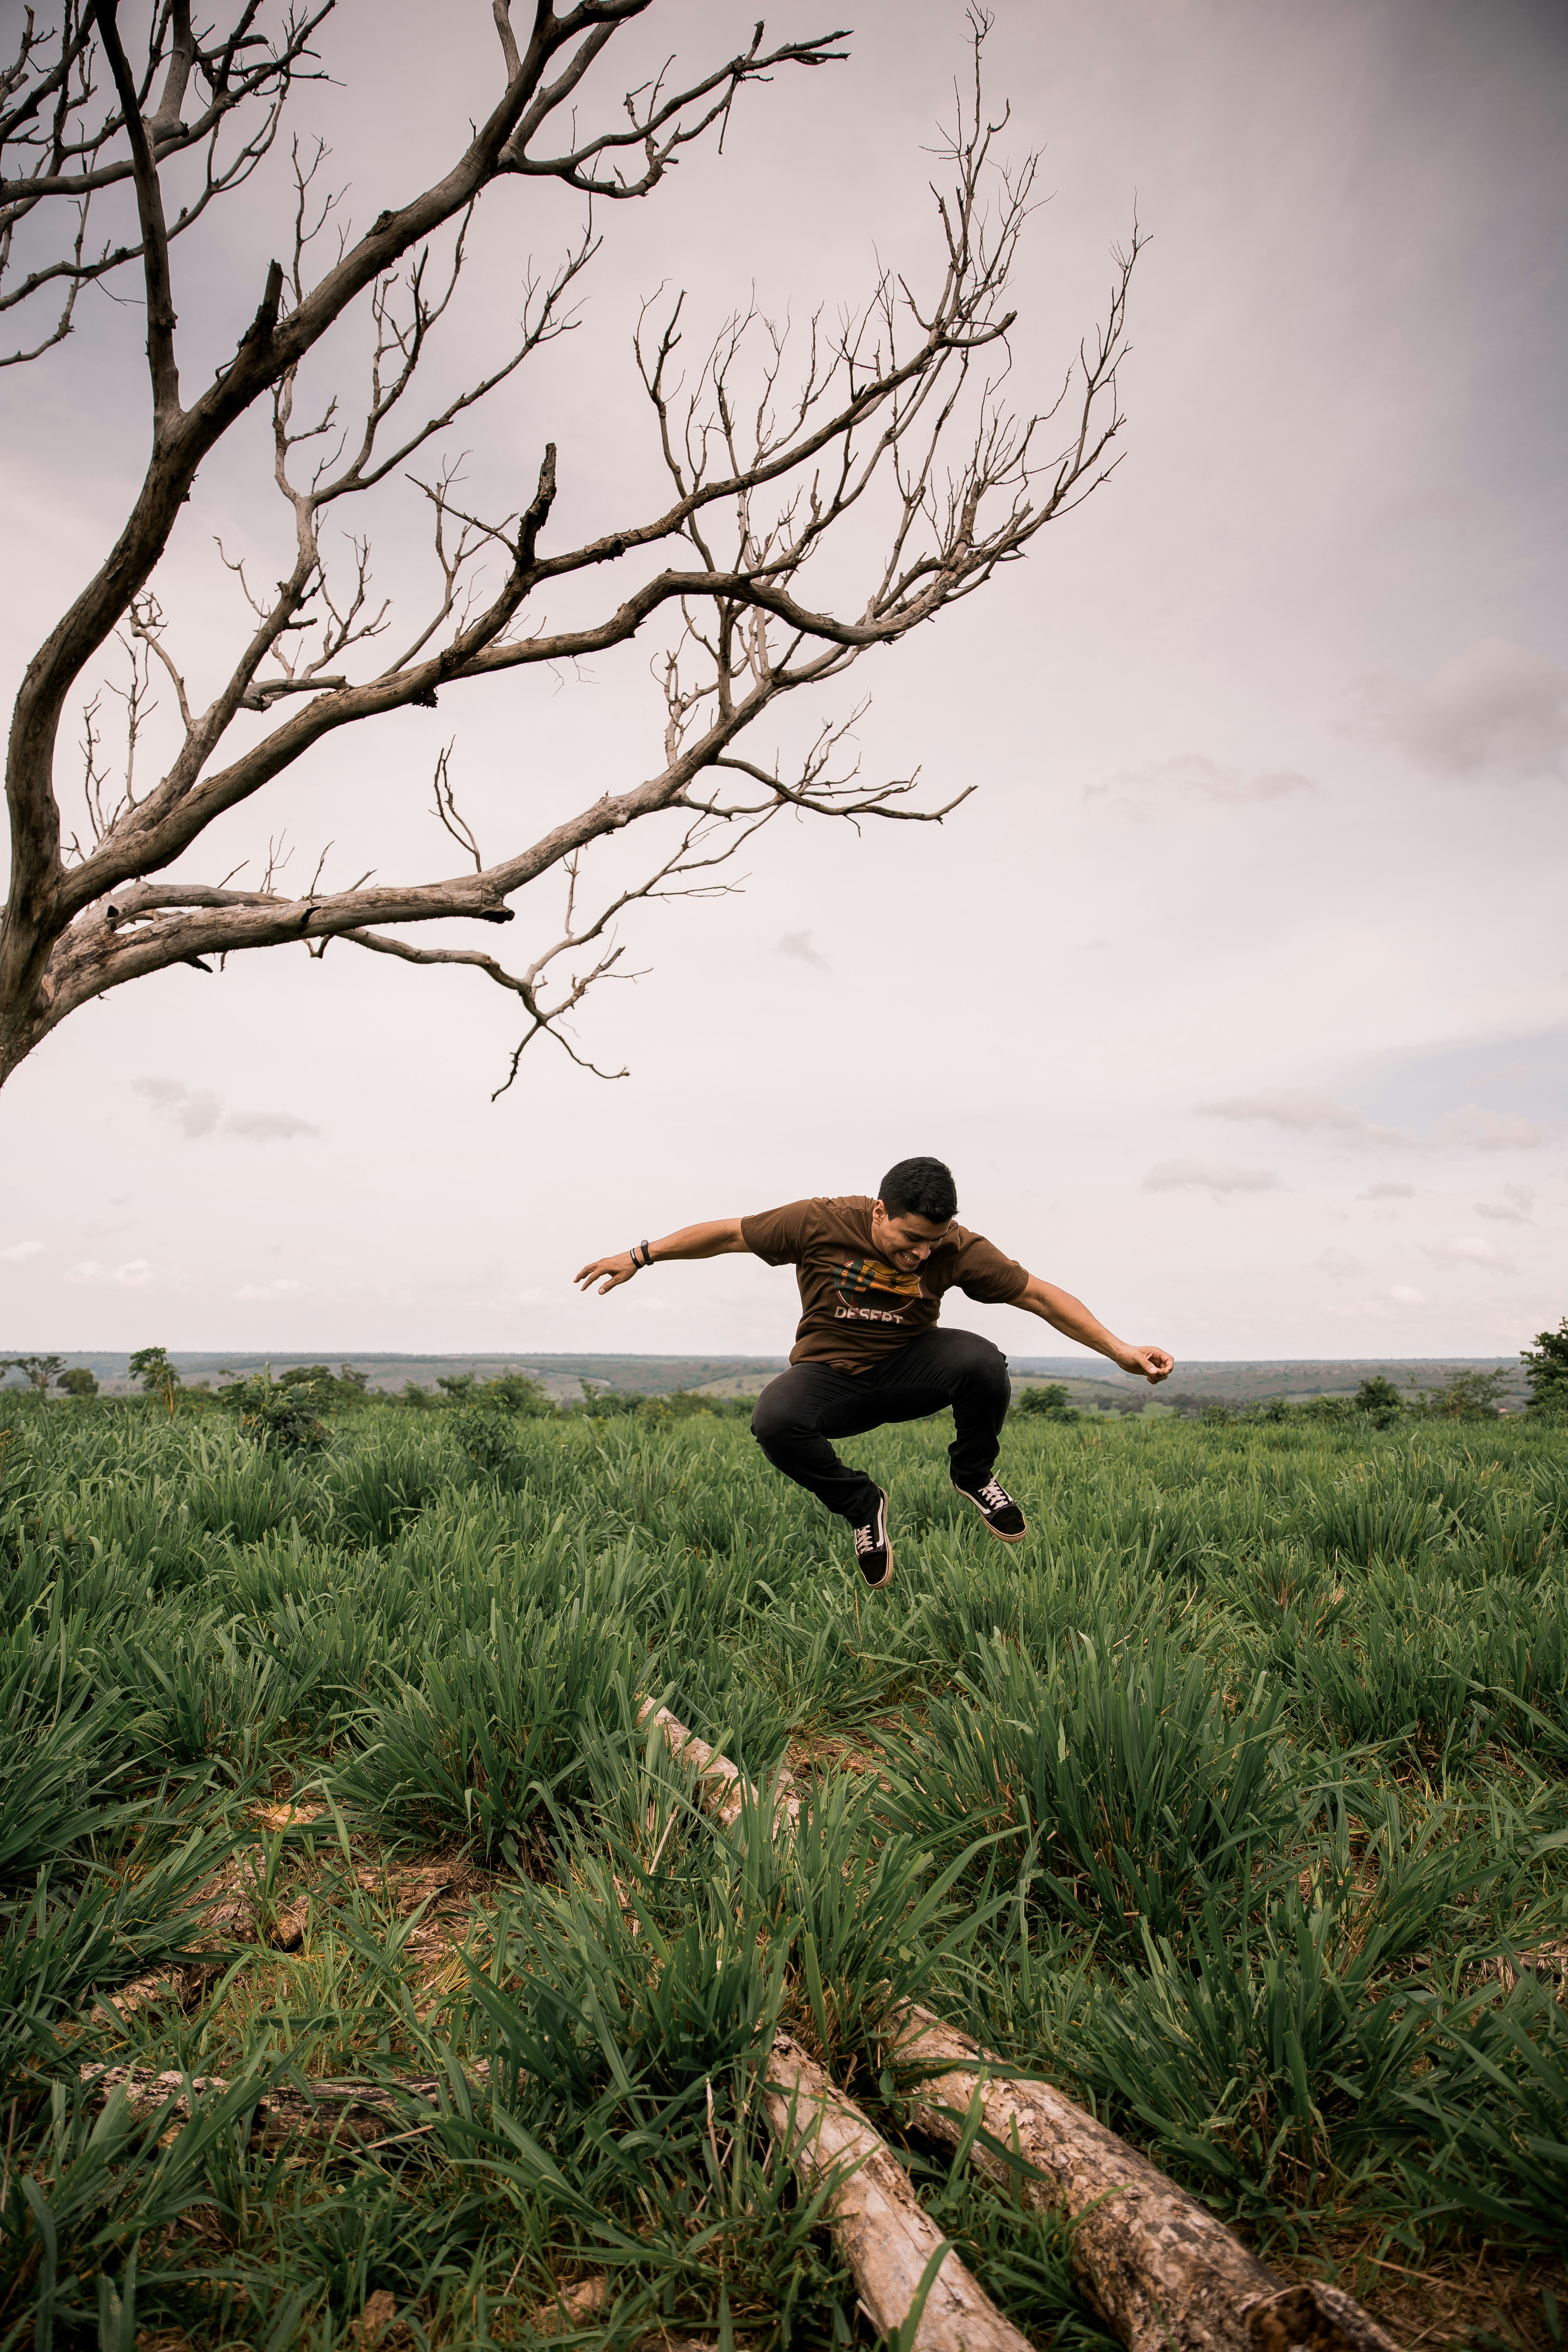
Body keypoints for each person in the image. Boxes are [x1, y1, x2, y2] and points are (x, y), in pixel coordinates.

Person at [574, 1155, 1174, 1589]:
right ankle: (862, 1506)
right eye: (911, 1239)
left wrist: (1120, 1351)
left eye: (932, 1245)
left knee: (983, 1360)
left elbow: (1039, 1297)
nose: (921, 1255)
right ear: (881, 1210)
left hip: (912, 1370)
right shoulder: (818, 1221)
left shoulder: (957, 1247)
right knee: (775, 1420)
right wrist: (640, 1255)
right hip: (832, 1380)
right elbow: (729, 1234)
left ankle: (973, 1474)